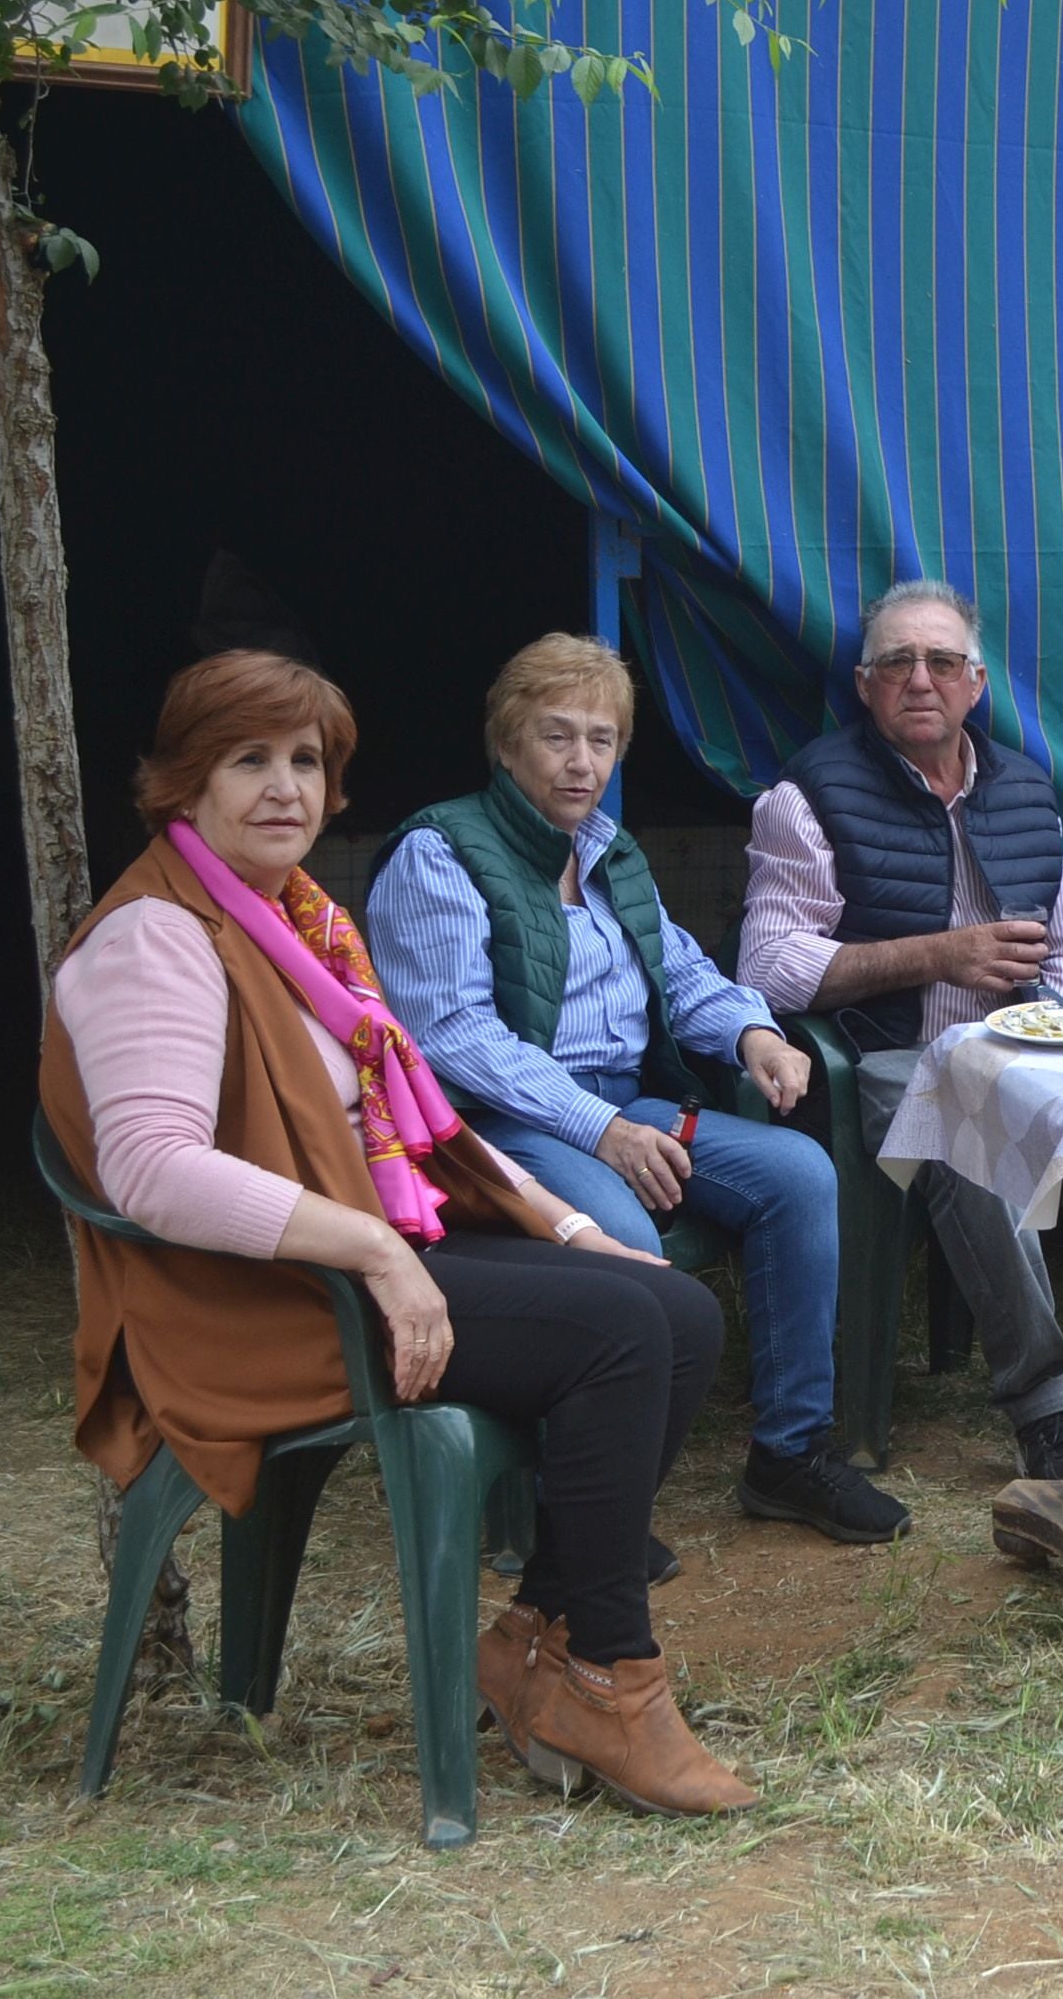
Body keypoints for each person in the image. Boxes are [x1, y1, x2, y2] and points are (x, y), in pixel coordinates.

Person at [44, 652, 753, 1815]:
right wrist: (379, 1256)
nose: (286, 789)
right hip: (256, 1304)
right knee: (624, 1336)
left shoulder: (299, 925)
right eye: (249, 760)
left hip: (343, 1264)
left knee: (671, 1306)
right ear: (182, 782)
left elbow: (418, 1130)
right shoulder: (156, 940)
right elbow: (154, 1170)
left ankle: (542, 1640)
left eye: (308, 764)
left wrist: (573, 1229)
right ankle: (609, 1673)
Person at [363, 635, 903, 1546]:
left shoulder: (607, 848)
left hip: (620, 1101)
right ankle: (582, 1503)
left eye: (602, 741)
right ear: (506, 744)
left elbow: (679, 971)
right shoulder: (438, 852)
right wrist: (601, 1126)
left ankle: (789, 1453)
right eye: (556, 737)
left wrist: (753, 1031)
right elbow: (451, 1037)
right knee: (621, 1232)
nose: (583, 763)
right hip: (499, 1125)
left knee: (801, 1173)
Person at [736, 580, 1063, 1480]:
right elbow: (768, 966)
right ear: (864, 684)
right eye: (896, 662)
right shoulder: (806, 795)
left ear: (974, 683)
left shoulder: (1024, 790)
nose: (919, 680)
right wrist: (937, 955)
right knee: (962, 1108)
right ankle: (1047, 1403)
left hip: (1032, 1047)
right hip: (889, 1053)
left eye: (941, 663)